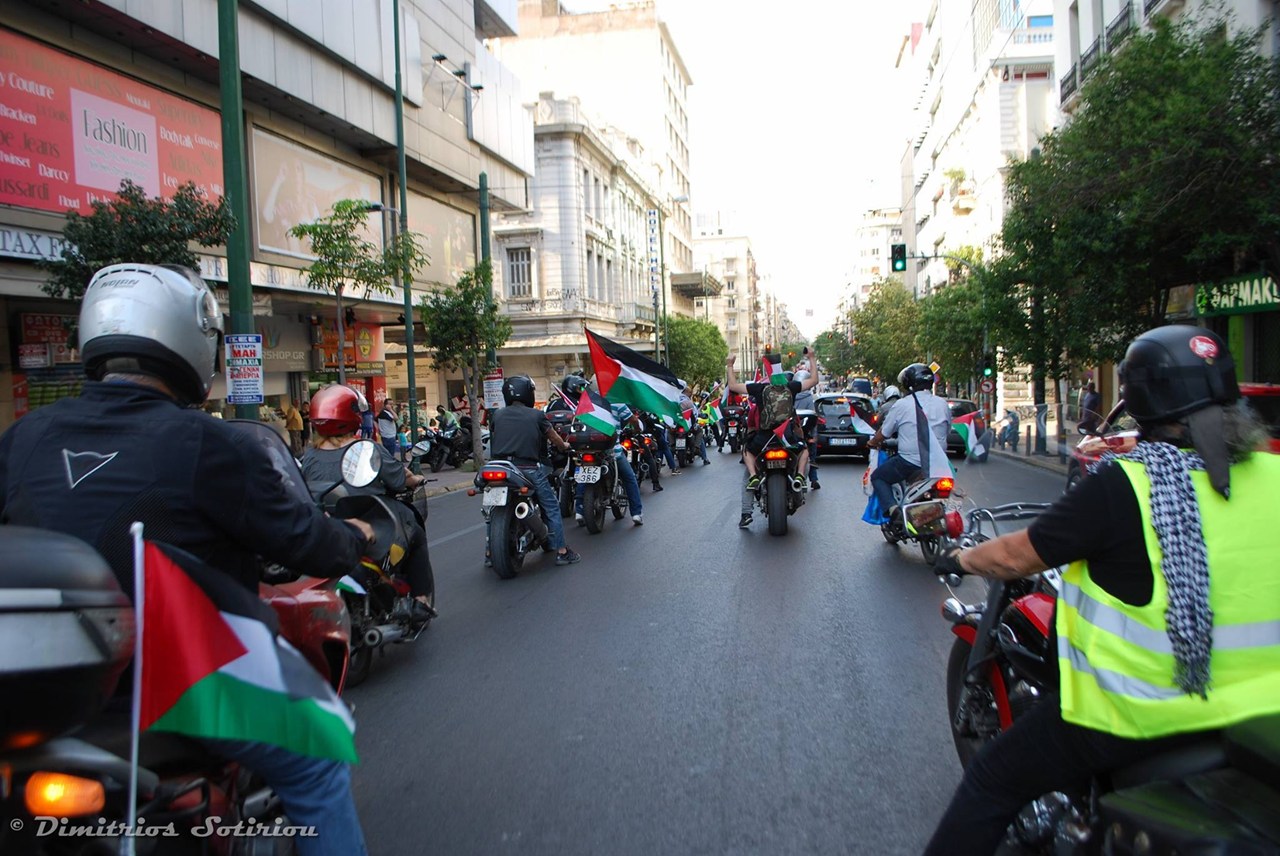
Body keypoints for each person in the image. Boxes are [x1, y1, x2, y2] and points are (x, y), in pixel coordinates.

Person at [0, 263, 372, 856]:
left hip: (42, 700)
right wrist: (353, 537)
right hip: (174, 686)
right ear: (193, 340)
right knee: (319, 759)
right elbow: (303, 541)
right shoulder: (210, 442)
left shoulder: (25, 437)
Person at [923, 325, 1280, 855]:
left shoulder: (1129, 484)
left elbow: (1019, 554)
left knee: (991, 781)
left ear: (1140, 401)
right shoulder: (1272, 473)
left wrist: (961, 556)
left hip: (1140, 711)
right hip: (1260, 715)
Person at [300, 385, 434, 623]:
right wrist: (415, 480)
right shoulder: (367, 449)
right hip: (371, 520)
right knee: (415, 533)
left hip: (325, 523)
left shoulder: (308, 456)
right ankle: (421, 599)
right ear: (351, 416)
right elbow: (399, 478)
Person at [489, 375, 582, 566]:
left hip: (498, 467)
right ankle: (562, 551)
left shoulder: (496, 415)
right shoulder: (537, 415)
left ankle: (490, 553)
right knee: (551, 507)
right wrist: (564, 445)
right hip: (526, 468)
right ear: (528, 393)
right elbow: (554, 438)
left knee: (492, 509)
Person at [725, 351, 819, 528]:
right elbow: (813, 381)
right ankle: (799, 476)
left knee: (747, 452)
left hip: (765, 439)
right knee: (804, 451)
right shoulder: (791, 386)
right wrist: (812, 358)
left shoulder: (759, 389)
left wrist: (730, 365)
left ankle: (753, 479)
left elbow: (733, 386)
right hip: (787, 437)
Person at [574, 400, 645, 526]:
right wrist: (637, 429)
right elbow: (633, 420)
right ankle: (636, 513)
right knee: (630, 478)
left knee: (582, 477)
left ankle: (579, 511)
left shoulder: (587, 401)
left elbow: (575, 420)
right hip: (612, 452)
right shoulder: (617, 403)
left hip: (588, 449)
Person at [794, 368, 820, 489]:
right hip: (807, 432)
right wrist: (814, 436)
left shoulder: (789, 395)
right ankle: (813, 479)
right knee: (811, 455)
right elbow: (814, 418)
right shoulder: (810, 398)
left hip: (793, 432)